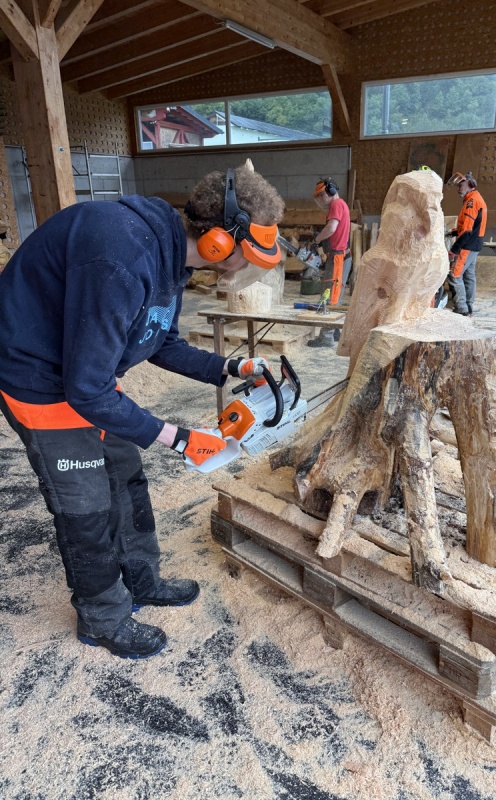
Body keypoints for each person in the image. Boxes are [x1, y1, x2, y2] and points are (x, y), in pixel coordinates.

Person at [0, 166, 284, 659]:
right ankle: (102, 617)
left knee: (125, 473)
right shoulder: (122, 258)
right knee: (85, 504)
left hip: (85, 374)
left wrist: (231, 366)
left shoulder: (172, 259)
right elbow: (87, 391)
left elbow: (161, 341)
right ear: (219, 240)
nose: (250, 267)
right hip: (37, 378)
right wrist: (180, 438)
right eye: (251, 256)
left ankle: (141, 577)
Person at [306, 177, 353, 348]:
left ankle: (326, 337)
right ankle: (336, 331)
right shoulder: (340, 205)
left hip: (339, 257)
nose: (320, 199)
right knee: (335, 295)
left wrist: (317, 240)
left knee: (330, 295)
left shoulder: (337, 204)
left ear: (330, 191)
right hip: (339, 256)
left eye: (321, 195)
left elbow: (331, 228)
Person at [446, 171, 487, 317]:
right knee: (469, 276)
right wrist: (452, 232)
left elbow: (467, 231)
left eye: (461, 185)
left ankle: (462, 309)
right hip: (475, 244)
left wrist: (454, 250)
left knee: (454, 276)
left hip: (467, 245)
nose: (459, 189)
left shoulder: (471, 202)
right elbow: (469, 226)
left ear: (470, 185)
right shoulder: (475, 198)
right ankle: (469, 307)